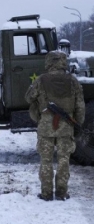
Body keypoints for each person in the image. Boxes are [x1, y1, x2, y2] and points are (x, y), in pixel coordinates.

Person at [25, 51, 85, 201]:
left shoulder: (41, 80)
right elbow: (80, 106)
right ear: (63, 62)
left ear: (49, 62)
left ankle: (46, 194)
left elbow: (28, 97)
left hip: (45, 126)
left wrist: (37, 113)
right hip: (66, 127)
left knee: (46, 160)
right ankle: (61, 193)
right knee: (64, 159)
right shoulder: (73, 81)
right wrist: (77, 123)